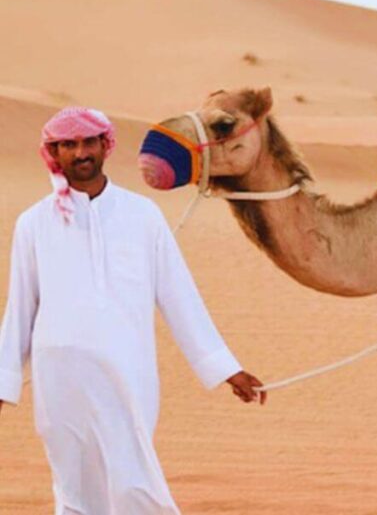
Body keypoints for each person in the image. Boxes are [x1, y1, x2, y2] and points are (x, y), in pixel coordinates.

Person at [0, 107, 265, 514]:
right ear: (54, 152)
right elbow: (20, 308)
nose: (81, 152)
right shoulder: (33, 223)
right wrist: (4, 381)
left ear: (106, 145)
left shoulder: (143, 216)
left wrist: (223, 367)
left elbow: (180, 297)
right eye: (68, 144)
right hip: (60, 379)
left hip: (126, 372)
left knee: (133, 484)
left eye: (89, 142)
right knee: (74, 491)